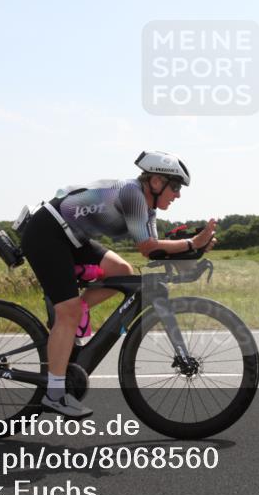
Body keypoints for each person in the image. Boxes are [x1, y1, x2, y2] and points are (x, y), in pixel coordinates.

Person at [19, 151, 217, 419]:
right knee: (69, 312)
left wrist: (194, 250)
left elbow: (154, 252)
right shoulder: (132, 194)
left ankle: (74, 315)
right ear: (156, 182)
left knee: (121, 270)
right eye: (175, 187)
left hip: (72, 237)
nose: (178, 194)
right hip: (48, 232)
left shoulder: (148, 207)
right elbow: (148, 246)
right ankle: (54, 393)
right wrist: (193, 243)